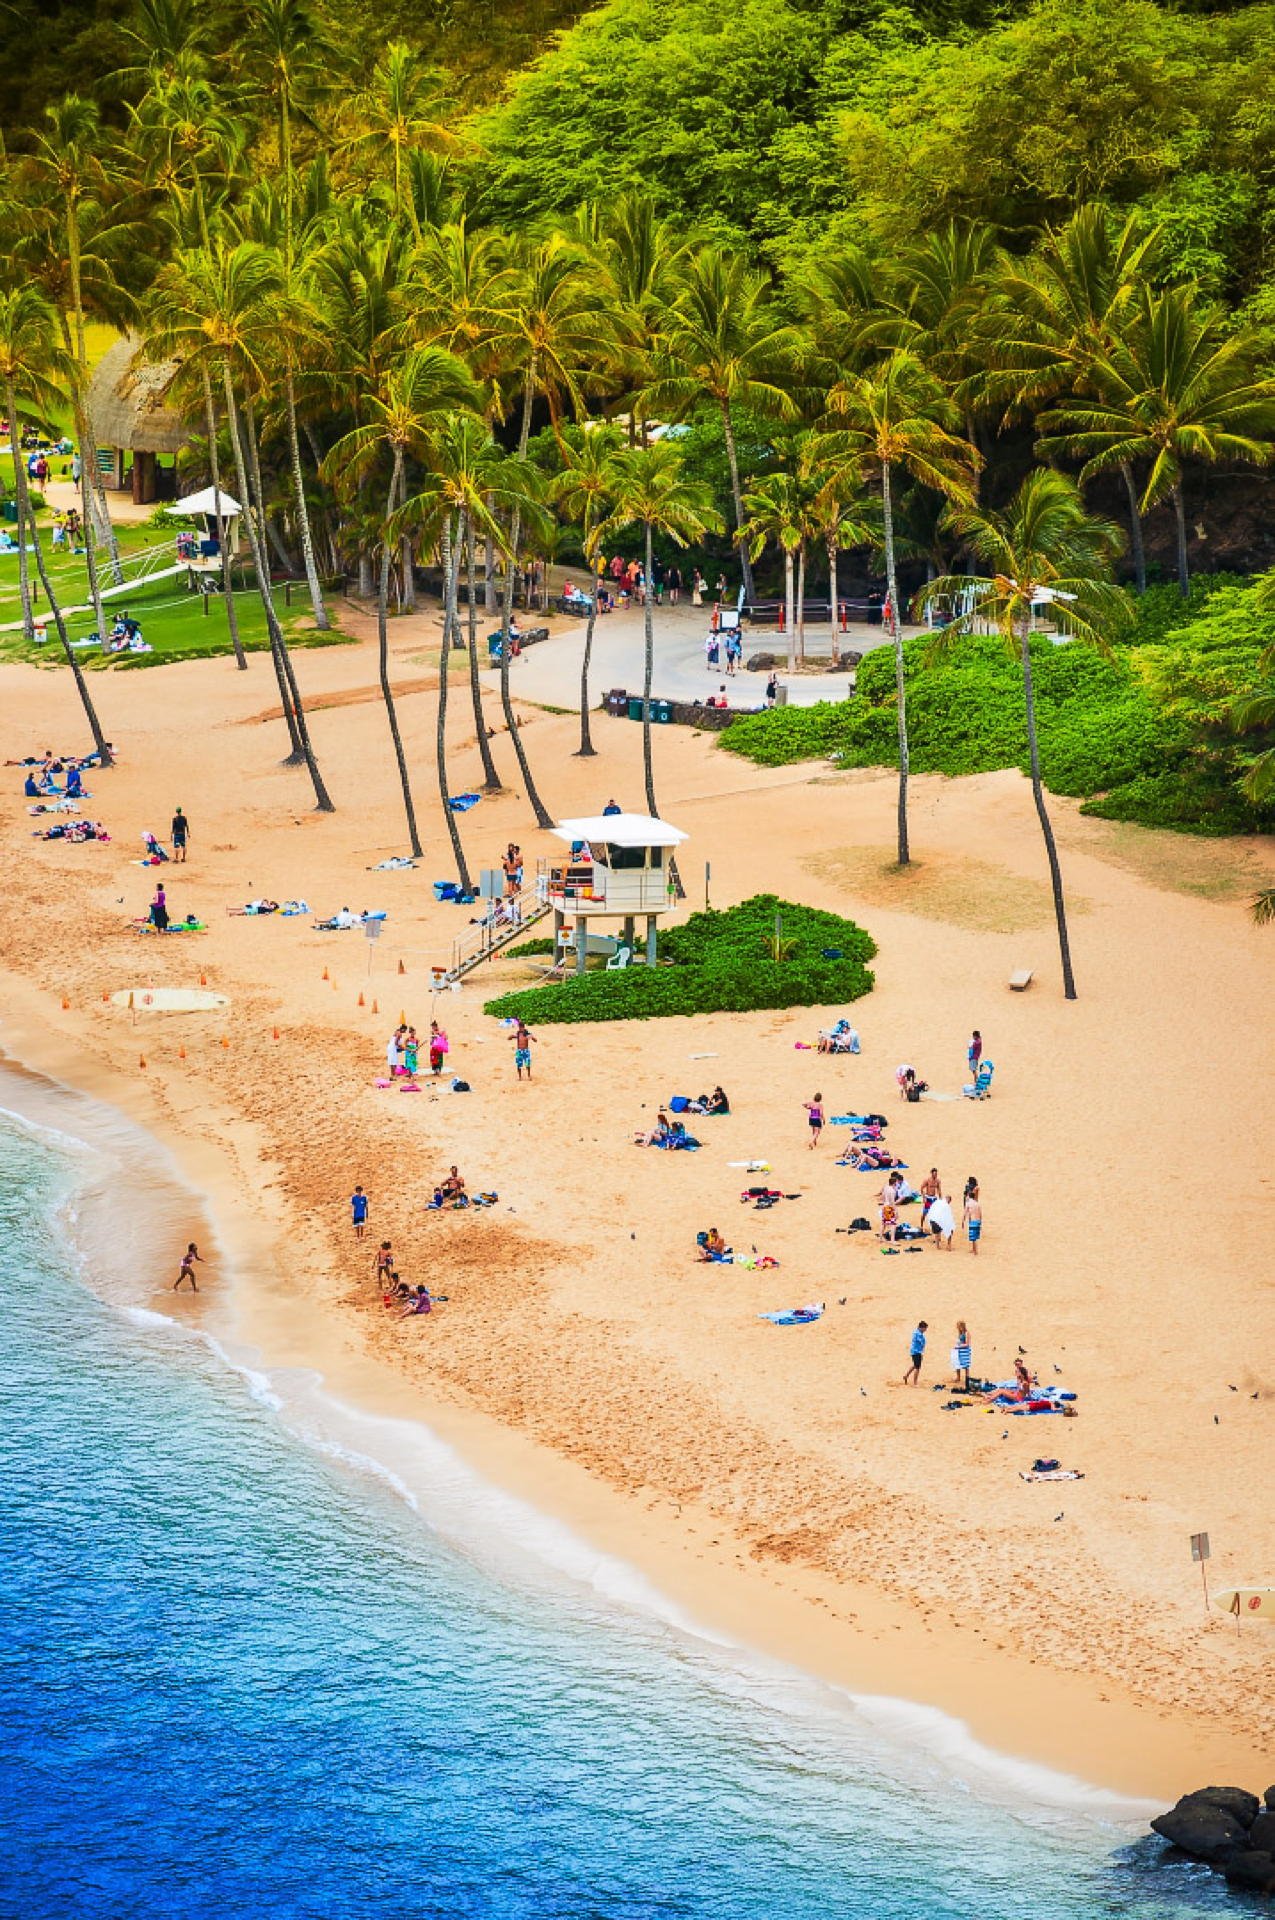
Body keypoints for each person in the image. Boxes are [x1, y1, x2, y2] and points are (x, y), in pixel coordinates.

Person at [904, 1320, 928, 1386]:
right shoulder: (919, 1334)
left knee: (915, 1365)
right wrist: (921, 1353)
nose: (925, 1330)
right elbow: (921, 1343)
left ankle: (906, 1376)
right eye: (925, 1328)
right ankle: (915, 1383)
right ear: (922, 1328)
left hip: (914, 1352)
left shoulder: (915, 1332)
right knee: (917, 1368)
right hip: (917, 1352)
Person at [962, 1179, 982, 1256]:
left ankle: (975, 1251)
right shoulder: (974, 1189)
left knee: (974, 1237)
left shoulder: (975, 1189)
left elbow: (972, 1193)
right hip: (976, 1213)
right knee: (974, 1236)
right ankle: (973, 1249)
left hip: (972, 1209)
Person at [952, 1320, 972, 1390]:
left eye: (958, 1326)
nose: (958, 1328)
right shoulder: (960, 1333)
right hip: (960, 1350)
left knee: (966, 1365)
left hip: (965, 1351)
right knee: (957, 1363)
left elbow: (967, 1344)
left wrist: (958, 1346)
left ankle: (967, 1378)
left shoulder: (967, 1333)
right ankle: (958, 1377)